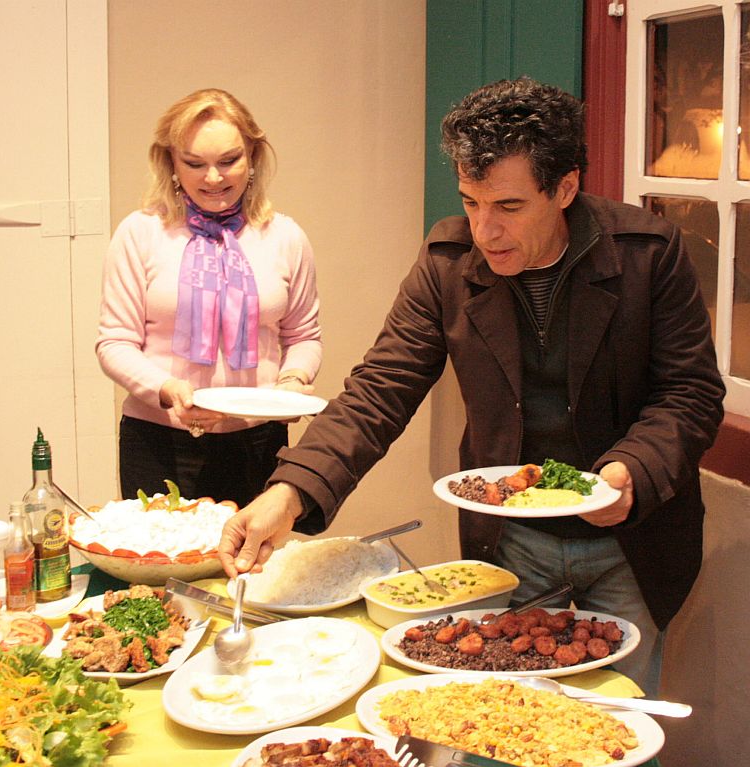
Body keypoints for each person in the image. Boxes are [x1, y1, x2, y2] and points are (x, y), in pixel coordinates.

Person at [217, 78, 725, 695]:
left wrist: (630, 473)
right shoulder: (447, 262)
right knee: (504, 717)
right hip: (513, 543)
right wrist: (290, 491)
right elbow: (381, 386)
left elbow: (690, 393)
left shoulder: (647, 253)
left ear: (564, 188)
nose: (485, 231)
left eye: (508, 207)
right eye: (471, 202)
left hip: (635, 542)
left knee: (613, 723)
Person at [96, 88, 321, 506]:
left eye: (229, 161)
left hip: (259, 442)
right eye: (195, 163)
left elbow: (304, 336)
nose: (213, 178)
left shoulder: (286, 236)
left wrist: (292, 382)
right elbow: (115, 342)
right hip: (158, 441)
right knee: (159, 566)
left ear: (252, 157)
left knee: (253, 567)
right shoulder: (140, 233)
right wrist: (165, 389)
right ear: (171, 164)